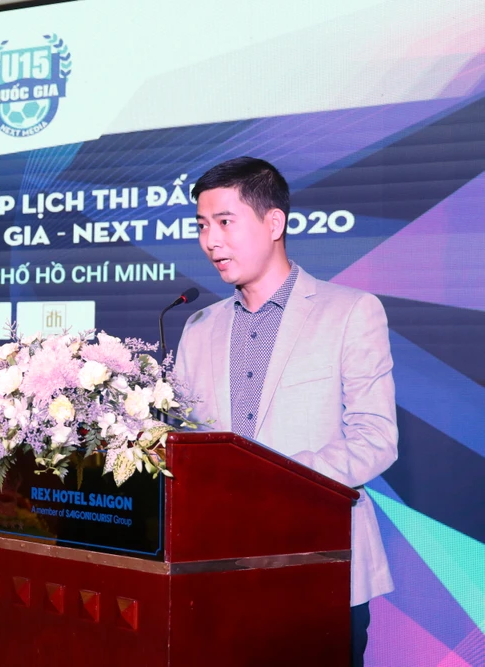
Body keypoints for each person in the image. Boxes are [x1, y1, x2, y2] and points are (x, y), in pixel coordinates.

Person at [174, 156, 398, 667]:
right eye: (202, 226)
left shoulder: (350, 311)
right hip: (213, 570)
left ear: (273, 222)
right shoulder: (198, 327)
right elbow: (184, 447)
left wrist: (273, 482)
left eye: (225, 222)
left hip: (319, 566)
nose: (210, 241)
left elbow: (375, 438)